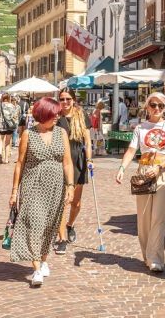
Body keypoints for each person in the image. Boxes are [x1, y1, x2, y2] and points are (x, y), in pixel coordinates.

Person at [9, 98, 75, 287]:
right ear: (43, 114)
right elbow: (20, 163)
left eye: (57, 114)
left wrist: (70, 186)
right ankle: (36, 268)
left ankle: (43, 258)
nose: (57, 117)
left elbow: (67, 161)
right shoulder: (28, 134)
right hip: (33, 186)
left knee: (49, 226)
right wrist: (14, 191)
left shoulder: (61, 132)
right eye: (53, 114)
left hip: (56, 186)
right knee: (35, 225)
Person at [115, 92, 165, 272]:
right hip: (143, 170)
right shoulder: (140, 128)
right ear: (147, 107)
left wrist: (159, 168)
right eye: (153, 105)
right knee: (143, 218)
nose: (157, 108)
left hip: (162, 172)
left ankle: (156, 258)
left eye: (160, 105)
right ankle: (147, 255)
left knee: (159, 217)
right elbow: (130, 151)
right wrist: (121, 168)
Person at [54, 90, 92, 255]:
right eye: (61, 99)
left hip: (78, 161)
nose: (65, 102)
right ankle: (61, 238)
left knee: (76, 203)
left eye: (68, 99)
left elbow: (88, 142)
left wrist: (90, 160)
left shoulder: (82, 117)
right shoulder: (55, 117)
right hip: (61, 162)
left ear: (74, 100)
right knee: (63, 202)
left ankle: (69, 225)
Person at [0, 94, 19, 164]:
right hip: (9, 126)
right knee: (7, 142)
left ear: (2, 98)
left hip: (1, 125)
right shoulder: (12, 106)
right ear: (9, 98)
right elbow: (15, 116)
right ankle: (6, 159)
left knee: (0, 141)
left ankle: (0, 156)